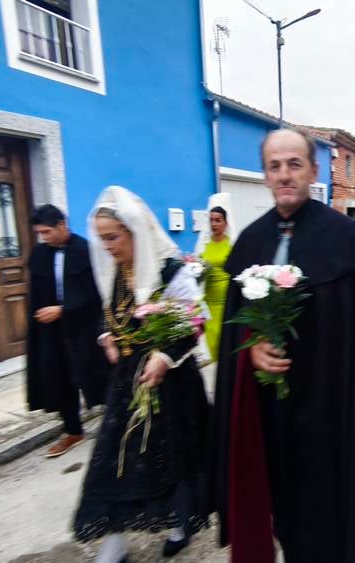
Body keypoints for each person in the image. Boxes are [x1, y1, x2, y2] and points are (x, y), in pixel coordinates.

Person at [211, 129, 355, 563]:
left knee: (323, 520)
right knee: (279, 508)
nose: (284, 175)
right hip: (269, 413)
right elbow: (233, 330)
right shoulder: (250, 241)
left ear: (313, 171)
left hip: (328, 409)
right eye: (274, 166)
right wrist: (250, 349)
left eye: (294, 164)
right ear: (265, 175)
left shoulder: (343, 240)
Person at [73, 187, 210, 561]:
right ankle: (114, 541)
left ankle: (180, 523)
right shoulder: (116, 270)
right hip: (127, 380)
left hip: (172, 382)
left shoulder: (169, 269)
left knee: (173, 457)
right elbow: (108, 310)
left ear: (134, 232)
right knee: (114, 459)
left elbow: (194, 323)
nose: (107, 247)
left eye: (113, 238)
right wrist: (107, 336)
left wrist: (165, 356)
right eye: (101, 239)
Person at [26, 204, 108, 458]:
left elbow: (95, 293)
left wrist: (63, 309)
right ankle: (73, 430)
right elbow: (37, 292)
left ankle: (114, 425)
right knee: (58, 377)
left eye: (47, 231)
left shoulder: (86, 250)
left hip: (84, 326)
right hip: (52, 330)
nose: (44, 237)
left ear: (62, 225)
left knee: (97, 374)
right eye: (40, 233)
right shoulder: (40, 253)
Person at [201, 205, 235, 362]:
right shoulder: (205, 247)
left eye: (218, 220)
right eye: (211, 220)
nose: (214, 224)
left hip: (226, 302)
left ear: (225, 223)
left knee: (226, 345)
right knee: (211, 345)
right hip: (209, 304)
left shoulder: (231, 245)